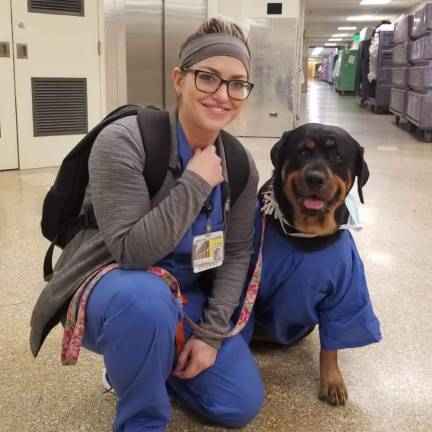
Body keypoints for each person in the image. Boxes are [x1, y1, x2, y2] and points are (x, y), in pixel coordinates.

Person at [30, 18, 264, 432]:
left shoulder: (242, 165)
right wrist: (195, 181)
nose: (222, 95)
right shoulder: (127, 140)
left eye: (236, 84)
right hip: (115, 284)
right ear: (179, 79)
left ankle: (141, 363)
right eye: (207, 77)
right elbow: (132, 253)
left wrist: (210, 336)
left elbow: (239, 252)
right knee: (144, 299)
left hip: (186, 293)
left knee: (238, 404)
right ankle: (141, 417)